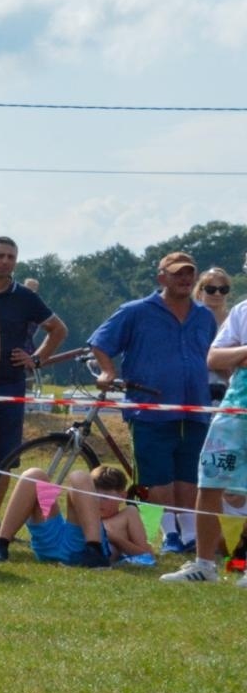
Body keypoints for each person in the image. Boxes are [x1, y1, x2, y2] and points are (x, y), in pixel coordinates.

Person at [87, 251, 215, 558]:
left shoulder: (204, 316)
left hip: (196, 408)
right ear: (161, 278)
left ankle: (188, 535)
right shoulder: (136, 311)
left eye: (189, 273)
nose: (185, 279)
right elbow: (100, 342)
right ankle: (168, 534)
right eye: (177, 273)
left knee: (189, 477)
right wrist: (108, 371)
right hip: (150, 409)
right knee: (155, 479)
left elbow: (213, 355)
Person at [161, 288, 247, 586]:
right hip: (234, 410)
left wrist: (236, 354)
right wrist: (244, 352)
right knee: (209, 481)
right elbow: (213, 357)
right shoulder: (241, 311)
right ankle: (204, 565)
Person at [0, 236, 67, 470]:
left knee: (3, 460)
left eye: (11, 257)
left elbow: (58, 330)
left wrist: (37, 359)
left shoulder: (24, 297)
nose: (5, 261)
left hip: (9, 383)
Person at [0, 465, 152, 568]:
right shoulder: (86, 511)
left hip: (81, 549)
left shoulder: (128, 513)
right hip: (55, 542)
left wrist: (114, 538)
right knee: (35, 475)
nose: (99, 503)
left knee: (79, 476)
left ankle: (94, 550)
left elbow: (145, 554)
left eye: (105, 498)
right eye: (95, 497)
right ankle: (0, 544)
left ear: (121, 497)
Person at [197, 266, 232, 401]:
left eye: (223, 290)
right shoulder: (189, 321)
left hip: (229, 391)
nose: (217, 294)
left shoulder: (236, 321)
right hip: (197, 388)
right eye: (211, 290)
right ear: (200, 292)